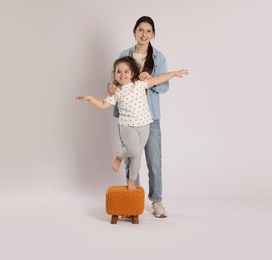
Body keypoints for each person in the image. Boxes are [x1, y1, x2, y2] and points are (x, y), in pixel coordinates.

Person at [76, 56, 188, 192]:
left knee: (137, 156)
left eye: (126, 71)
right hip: (127, 125)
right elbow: (103, 104)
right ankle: (119, 156)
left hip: (144, 125)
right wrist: (90, 99)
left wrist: (175, 73)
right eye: (118, 72)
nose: (122, 74)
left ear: (132, 73)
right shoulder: (116, 91)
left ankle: (132, 182)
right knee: (133, 149)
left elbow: (158, 79)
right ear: (114, 74)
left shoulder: (140, 84)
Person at [108, 16, 171, 218]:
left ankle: (157, 202)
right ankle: (133, 200)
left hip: (150, 118)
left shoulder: (158, 58)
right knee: (132, 157)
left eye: (148, 31)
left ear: (153, 34)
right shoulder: (124, 54)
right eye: (140, 30)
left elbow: (164, 86)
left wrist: (151, 79)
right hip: (127, 118)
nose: (144, 34)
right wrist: (109, 87)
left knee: (154, 161)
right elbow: (115, 81)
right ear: (134, 31)